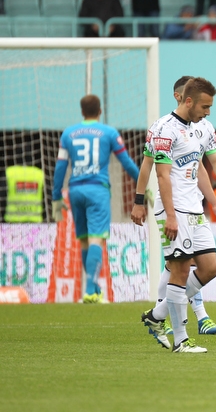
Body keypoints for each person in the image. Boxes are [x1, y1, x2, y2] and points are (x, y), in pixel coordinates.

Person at [132, 76, 216, 340]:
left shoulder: (203, 128)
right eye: (205, 107)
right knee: (178, 267)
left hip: (194, 209)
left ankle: (158, 315)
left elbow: (205, 164)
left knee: (209, 267)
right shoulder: (162, 129)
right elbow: (155, 170)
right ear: (184, 99)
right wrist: (139, 202)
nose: (208, 112)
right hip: (174, 208)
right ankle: (182, 334)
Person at [51, 95, 141, 303]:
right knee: (96, 240)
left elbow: (61, 167)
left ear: (82, 112)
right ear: (100, 111)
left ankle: (92, 290)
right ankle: (91, 291)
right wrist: (142, 185)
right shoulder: (108, 132)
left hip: (75, 191)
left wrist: (56, 196)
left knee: (84, 241)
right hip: (97, 190)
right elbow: (126, 162)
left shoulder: (68, 134)